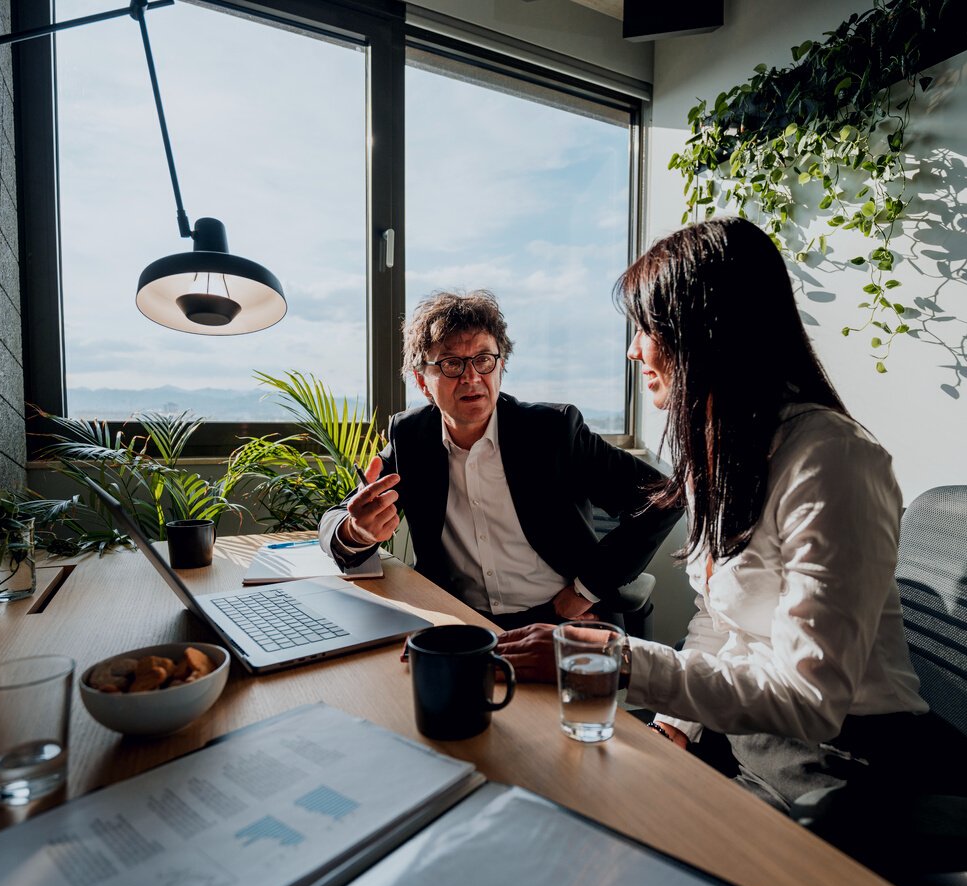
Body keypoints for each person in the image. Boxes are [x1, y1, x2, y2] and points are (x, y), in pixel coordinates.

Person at [495, 217, 930, 813]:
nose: (633, 350)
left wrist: (616, 658)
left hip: (838, 753)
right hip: (740, 729)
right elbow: (720, 620)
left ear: (705, 332)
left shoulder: (833, 461)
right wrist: (677, 720)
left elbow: (812, 698)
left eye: (646, 329)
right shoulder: (727, 454)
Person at [319, 290, 680, 629]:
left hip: (560, 617)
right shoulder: (411, 437)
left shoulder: (552, 431)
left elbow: (664, 499)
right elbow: (337, 517)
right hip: (460, 623)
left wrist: (586, 590)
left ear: (500, 365)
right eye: (450, 364)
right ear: (421, 380)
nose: (472, 377)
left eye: (483, 360)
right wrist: (356, 530)